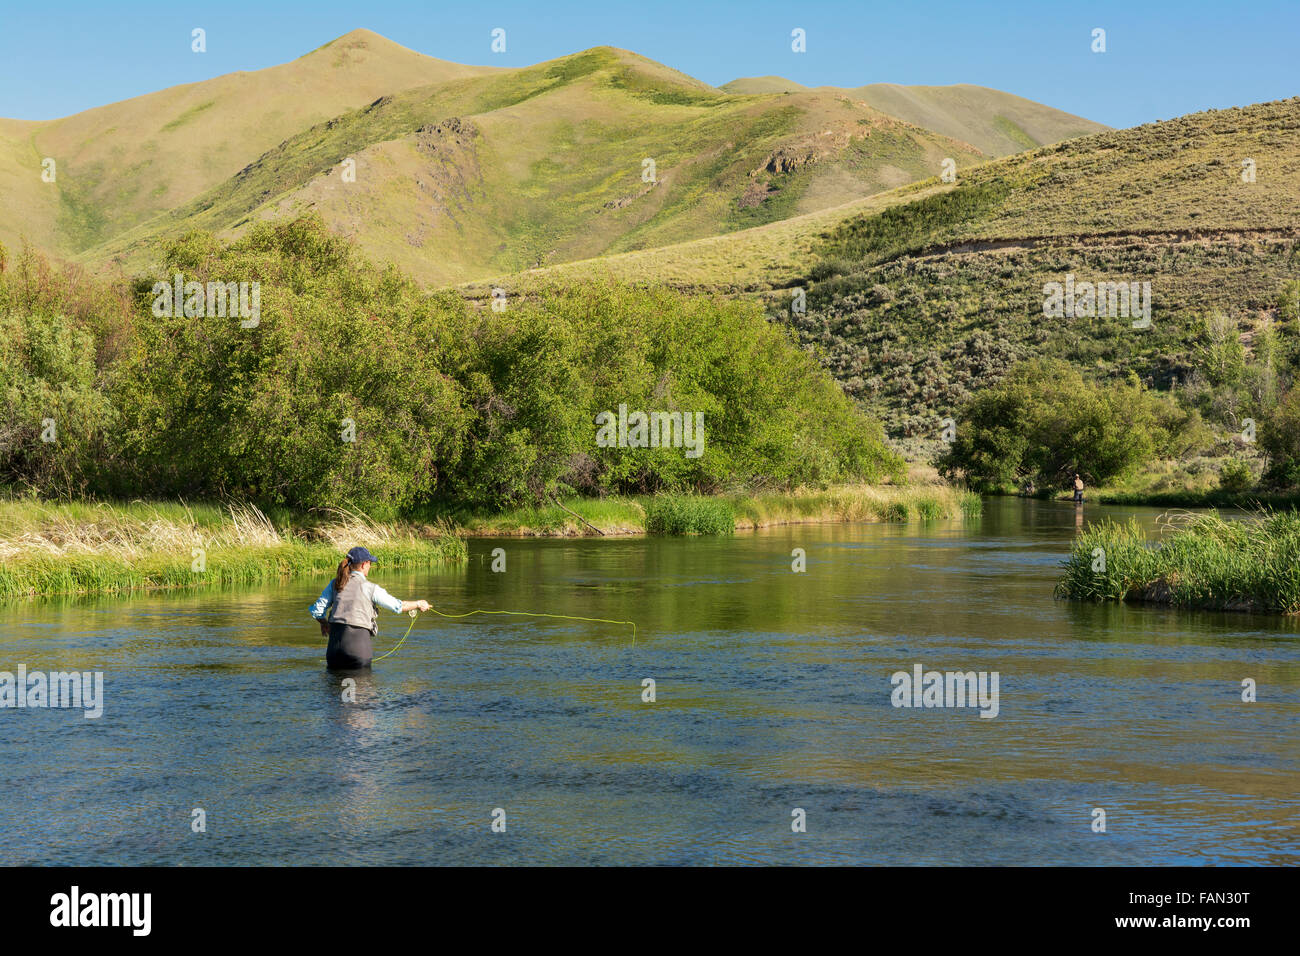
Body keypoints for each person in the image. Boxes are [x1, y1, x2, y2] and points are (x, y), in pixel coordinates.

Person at [310, 546, 430, 669]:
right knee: (361, 686)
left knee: (336, 686)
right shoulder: (371, 588)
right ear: (364, 564)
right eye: (370, 563)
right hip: (357, 651)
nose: (370, 566)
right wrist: (419, 604)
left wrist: (324, 624)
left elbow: (317, 611)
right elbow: (398, 606)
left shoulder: (335, 583)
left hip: (333, 652)